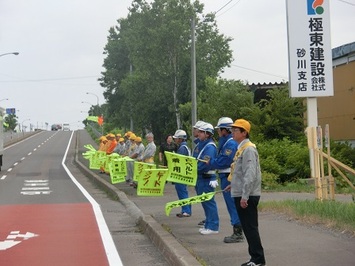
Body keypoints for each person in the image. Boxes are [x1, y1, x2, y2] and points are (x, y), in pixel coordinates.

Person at [225, 119, 266, 266]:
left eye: (236, 130)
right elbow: (240, 173)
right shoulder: (241, 148)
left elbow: (250, 174)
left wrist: (245, 195)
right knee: (248, 228)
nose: (233, 133)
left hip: (247, 195)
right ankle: (254, 258)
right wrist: (233, 186)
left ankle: (258, 259)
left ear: (244, 133)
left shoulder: (248, 149)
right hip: (241, 193)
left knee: (250, 227)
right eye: (233, 130)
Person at [208, 117, 244, 243]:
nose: (218, 132)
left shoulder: (230, 143)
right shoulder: (227, 142)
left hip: (229, 176)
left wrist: (211, 162)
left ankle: (238, 232)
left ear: (225, 130)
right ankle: (237, 230)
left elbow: (225, 161)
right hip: (226, 176)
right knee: (232, 205)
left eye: (220, 130)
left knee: (232, 205)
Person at [193, 122, 219, 235]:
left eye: (200, 132)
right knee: (204, 202)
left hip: (207, 177)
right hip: (201, 177)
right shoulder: (203, 144)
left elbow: (205, 164)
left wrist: (193, 170)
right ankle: (208, 224)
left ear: (207, 134)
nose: (198, 133)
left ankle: (213, 226)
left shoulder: (210, 147)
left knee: (208, 202)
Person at [172, 129, 192, 218]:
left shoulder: (182, 148)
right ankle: (186, 209)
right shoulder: (183, 147)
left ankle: (186, 210)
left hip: (182, 173)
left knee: (182, 191)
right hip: (183, 172)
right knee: (183, 191)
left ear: (180, 139)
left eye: (176, 138)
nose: (175, 140)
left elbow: (180, 160)